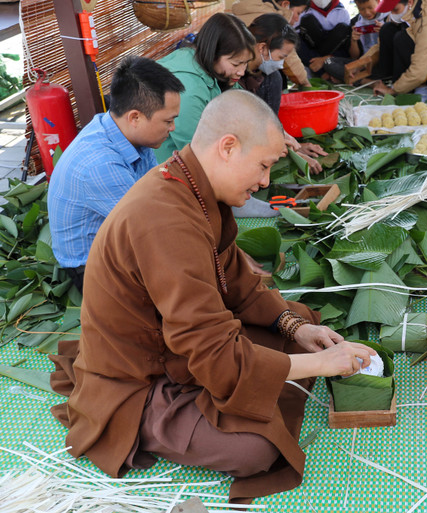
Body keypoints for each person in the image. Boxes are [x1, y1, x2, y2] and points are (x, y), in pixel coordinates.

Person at [48, 90, 377, 505]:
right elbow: (210, 349)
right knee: (257, 449)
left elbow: (235, 280)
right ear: (227, 147)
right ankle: (143, 422)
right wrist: (318, 364)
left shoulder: (195, 188)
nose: (265, 182)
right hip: (141, 374)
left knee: (297, 327)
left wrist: (297, 328)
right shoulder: (164, 218)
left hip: (181, 343)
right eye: (263, 165)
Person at [48, 57, 183, 292]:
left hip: (122, 237)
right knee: (183, 281)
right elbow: (152, 229)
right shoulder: (100, 165)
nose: (172, 128)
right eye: (168, 121)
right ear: (135, 117)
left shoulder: (128, 133)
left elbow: (157, 190)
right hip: (90, 268)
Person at [156, 13, 255, 162]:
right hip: (165, 170)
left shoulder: (207, 66)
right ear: (213, 54)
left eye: (245, 63)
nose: (241, 71)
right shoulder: (188, 89)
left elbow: (242, 105)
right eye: (235, 64)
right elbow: (197, 151)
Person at [242, 13, 327, 174]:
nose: (281, 64)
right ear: (261, 48)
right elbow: (252, 127)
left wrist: (294, 146)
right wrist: (293, 155)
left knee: (275, 77)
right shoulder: (234, 78)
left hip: (260, 136)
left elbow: (268, 122)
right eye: (281, 57)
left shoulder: (264, 76)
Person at [360, 0, 427, 100]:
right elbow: (380, 46)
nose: (392, 14)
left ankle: (422, 89)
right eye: (390, 10)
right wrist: (360, 64)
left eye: (395, 9)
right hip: (420, 70)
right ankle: (398, 81)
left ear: (410, 3)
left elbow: (421, 68)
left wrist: (393, 89)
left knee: (402, 38)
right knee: (387, 29)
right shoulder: (405, 15)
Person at [231, 0, 312, 88]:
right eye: (298, 13)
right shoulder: (270, 19)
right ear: (285, 4)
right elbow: (291, 59)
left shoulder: (250, 9)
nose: (297, 19)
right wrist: (305, 83)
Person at [309, 0, 387, 82]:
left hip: (381, 63)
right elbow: (354, 56)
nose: (367, 12)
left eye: (370, 7)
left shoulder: (388, 18)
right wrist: (353, 40)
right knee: (328, 62)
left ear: (379, 2)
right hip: (361, 63)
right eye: (361, 9)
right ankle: (361, 79)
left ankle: (357, 80)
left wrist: (386, 32)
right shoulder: (356, 22)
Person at [296, 0, 351, 69]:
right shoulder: (304, 10)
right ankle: (319, 67)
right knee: (307, 20)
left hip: (332, 57)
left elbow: (346, 46)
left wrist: (326, 58)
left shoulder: (343, 13)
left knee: (343, 28)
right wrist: (311, 60)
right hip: (311, 56)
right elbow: (297, 40)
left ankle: (325, 67)